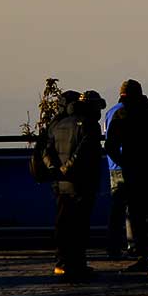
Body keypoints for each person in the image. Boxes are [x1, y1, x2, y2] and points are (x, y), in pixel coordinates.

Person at [105, 79, 148, 273]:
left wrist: (124, 162)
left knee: (137, 216)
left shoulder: (122, 115)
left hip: (133, 174)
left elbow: (110, 146)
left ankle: (144, 256)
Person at [43, 90, 103, 279]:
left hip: (61, 185)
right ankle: (78, 263)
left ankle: (62, 262)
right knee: (80, 226)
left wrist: (55, 168)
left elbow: (46, 151)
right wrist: (68, 168)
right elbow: (84, 150)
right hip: (82, 182)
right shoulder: (88, 125)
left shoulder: (59, 123)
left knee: (64, 224)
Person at [103, 92, 131, 261]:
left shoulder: (110, 112)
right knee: (132, 208)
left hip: (113, 165)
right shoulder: (128, 113)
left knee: (117, 209)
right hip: (126, 164)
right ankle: (132, 244)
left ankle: (113, 245)